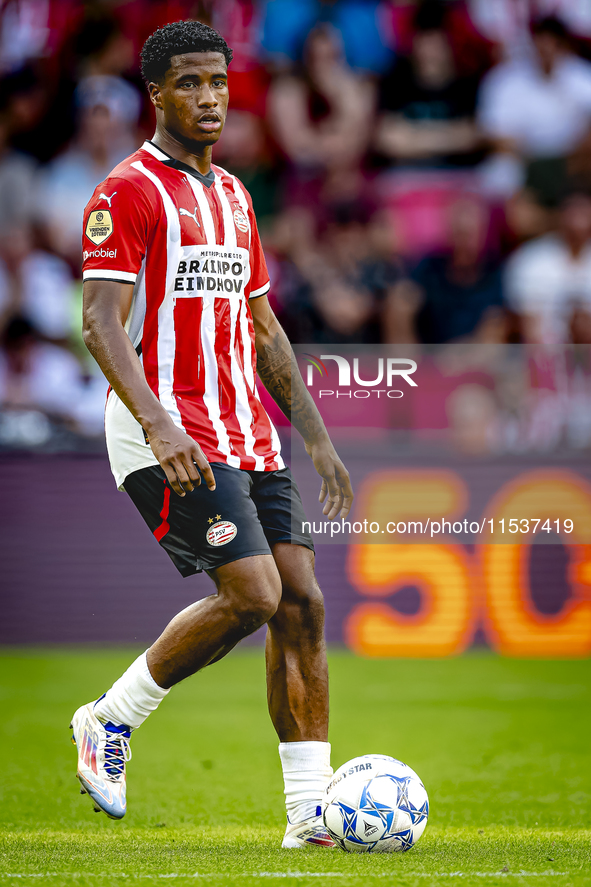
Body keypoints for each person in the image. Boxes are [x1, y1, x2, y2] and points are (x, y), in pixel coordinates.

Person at [70, 20, 353, 850]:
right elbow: (99, 323)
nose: (208, 98)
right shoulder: (127, 190)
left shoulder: (233, 195)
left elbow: (263, 329)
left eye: (219, 84)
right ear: (154, 93)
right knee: (255, 593)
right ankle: (107, 719)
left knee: (301, 604)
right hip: (167, 431)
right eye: (189, 83)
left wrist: (316, 435)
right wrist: (158, 423)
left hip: (247, 432)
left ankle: (308, 814)